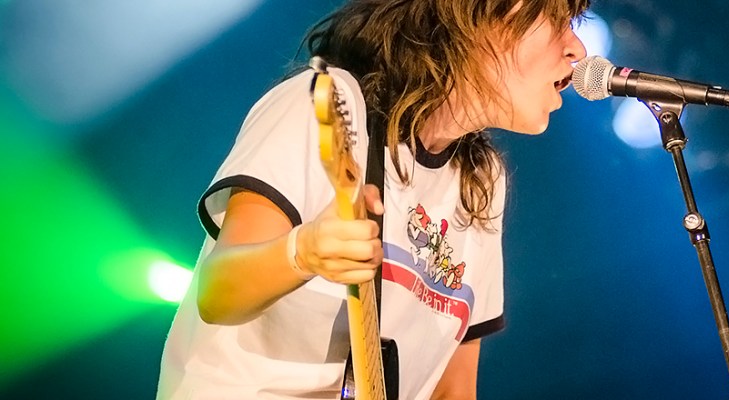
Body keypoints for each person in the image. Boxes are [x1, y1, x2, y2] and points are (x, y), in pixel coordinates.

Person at [155, 0, 589, 399]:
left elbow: (453, 388)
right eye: (559, 21)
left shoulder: (480, 181)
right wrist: (302, 252)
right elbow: (217, 293)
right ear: (485, 16)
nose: (578, 49)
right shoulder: (330, 104)